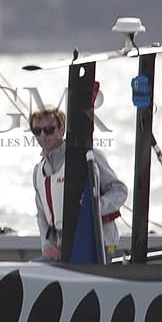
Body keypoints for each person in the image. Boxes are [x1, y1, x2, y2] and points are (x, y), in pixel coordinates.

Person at [31, 105, 127, 261]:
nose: (42, 135)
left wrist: (93, 207)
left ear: (61, 129)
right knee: (34, 267)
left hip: (98, 244)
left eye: (49, 130)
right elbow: (41, 214)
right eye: (37, 131)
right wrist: (47, 245)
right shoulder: (38, 171)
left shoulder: (89, 157)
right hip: (64, 247)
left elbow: (119, 191)